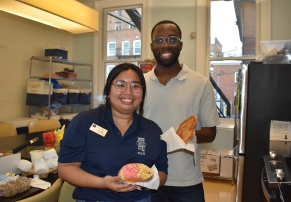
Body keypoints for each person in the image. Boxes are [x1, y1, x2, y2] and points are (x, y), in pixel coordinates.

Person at [58, 63, 168, 202]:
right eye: (120, 85)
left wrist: (149, 183)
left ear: (143, 92)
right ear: (108, 90)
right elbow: (66, 168)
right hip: (95, 198)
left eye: (135, 86)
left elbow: (162, 171)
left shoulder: (152, 130)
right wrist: (102, 183)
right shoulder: (84, 121)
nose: (128, 91)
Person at [143, 20, 220, 202]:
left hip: (187, 181)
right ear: (152, 45)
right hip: (149, 176)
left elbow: (210, 133)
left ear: (181, 44)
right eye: (159, 40)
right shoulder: (140, 83)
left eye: (172, 39)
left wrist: (183, 138)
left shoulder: (201, 84)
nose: (166, 44)